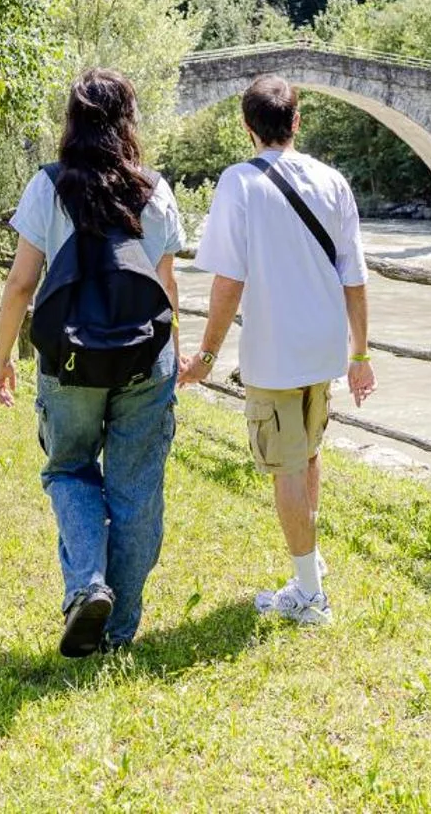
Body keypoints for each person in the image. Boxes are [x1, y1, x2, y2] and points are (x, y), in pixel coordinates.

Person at [0, 69, 185, 657]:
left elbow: (23, 282)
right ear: (130, 119)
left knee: (69, 469)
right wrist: (176, 359)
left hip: (67, 360)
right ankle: (119, 630)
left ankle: (87, 587)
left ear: (72, 121)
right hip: (142, 363)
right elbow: (168, 286)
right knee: (136, 491)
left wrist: (2, 359)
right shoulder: (154, 190)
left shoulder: (48, 186)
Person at [179, 73, 374, 625]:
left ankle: (310, 597)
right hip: (323, 349)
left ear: (247, 127)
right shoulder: (332, 180)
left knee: (286, 465)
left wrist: (208, 356)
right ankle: (309, 567)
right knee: (307, 453)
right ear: (297, 121)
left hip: (274, 351)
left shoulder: (239, 183)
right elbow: (354, 276)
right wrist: (360, 355)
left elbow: (228, 282)